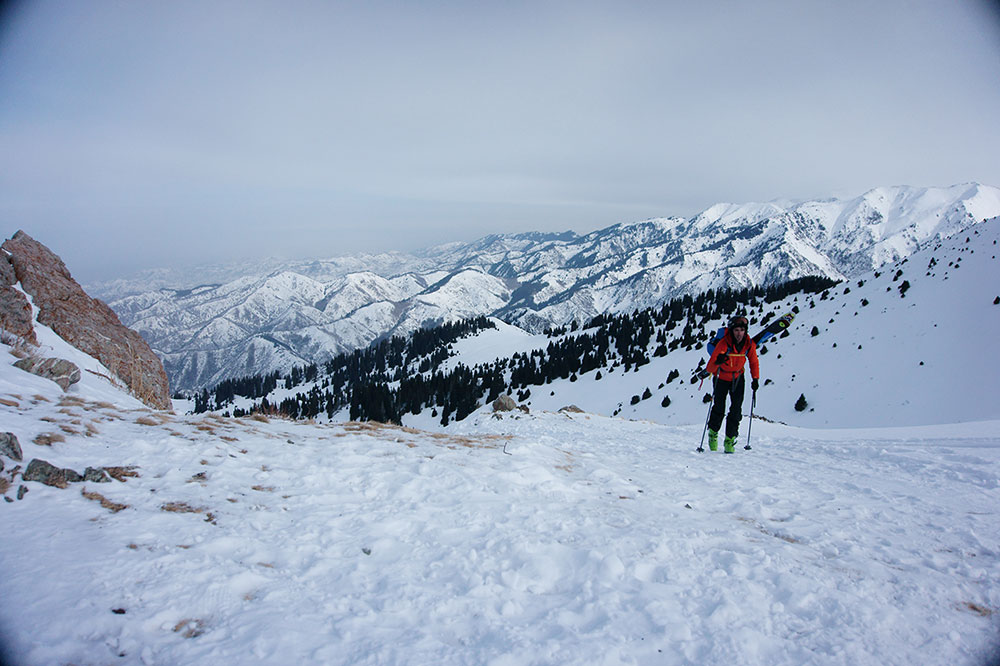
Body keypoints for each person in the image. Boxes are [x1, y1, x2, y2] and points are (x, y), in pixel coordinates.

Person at [704, 315, 759, 453]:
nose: (739, 333)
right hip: (721, 377)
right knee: (719, 408)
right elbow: (710, 368)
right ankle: (713, 435)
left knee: (736, 410)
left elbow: (753, 362)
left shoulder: (749, 344)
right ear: (731, 331)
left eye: (742, 330)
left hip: (737, 379)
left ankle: (730, 440)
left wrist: (755, 378)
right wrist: (718, 360)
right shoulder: (723, 344)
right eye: (736, 330)